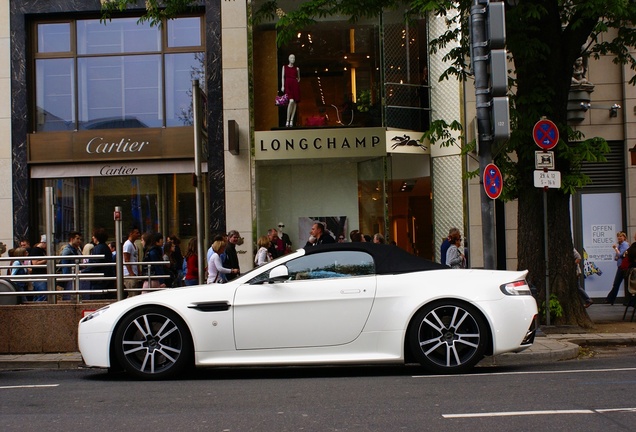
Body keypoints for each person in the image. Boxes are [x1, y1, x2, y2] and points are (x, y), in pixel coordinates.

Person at [86, 227, 114, 298]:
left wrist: (84, 271)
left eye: (94, 236)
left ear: (97, 237)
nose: (92, 238)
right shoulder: (106, 247)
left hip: (99, 280)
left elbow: (95, 263)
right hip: (106, 278)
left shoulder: (97, 248)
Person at [606, 231, 629, 305]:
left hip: (623, 267)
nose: (619, 237)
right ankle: (610, 299)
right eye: (618, 236)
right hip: (621, 266)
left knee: (617, 283)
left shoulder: (624, 245)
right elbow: (617, 256)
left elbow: (621, 254)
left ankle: (610, 299)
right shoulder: (620, 245)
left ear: (624, 237)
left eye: (621, 236)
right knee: (617, 283)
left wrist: (615, 248)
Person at [60, 231, 82, 298]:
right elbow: (65, 266)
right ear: (72, 239)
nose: (79, 241)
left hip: (73, 275)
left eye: (80, 239)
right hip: (70, 276)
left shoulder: (76, 249)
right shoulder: (67, 250)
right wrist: (67, 277)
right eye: (77, 239)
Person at [281, 54, 300, 127]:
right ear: (289, 59)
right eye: (291, 58)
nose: (293, 59)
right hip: (288, 85)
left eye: (294, 58)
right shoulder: (284, 67)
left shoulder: (297, 68)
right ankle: (287, 119)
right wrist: (282, 86)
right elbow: (282, 77)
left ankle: (292, 120)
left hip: (294, 85)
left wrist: (296, 82)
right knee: (291, 101)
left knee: (295, 102)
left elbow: (298, 78)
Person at [123, 227, 141, 297]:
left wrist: (138, 271)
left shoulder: (135, 245)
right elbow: (126, 259)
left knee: (135, 293)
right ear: (131, 234)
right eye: (136, 233)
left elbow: (136, 259)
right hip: (129, 274)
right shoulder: (127, 244)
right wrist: (131, 273)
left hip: (134, 272)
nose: (138, 235)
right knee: (132, 293)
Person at [29, 235, 48, 302]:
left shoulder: (42, 250)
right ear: (43, 243)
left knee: (38, 294)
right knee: (43, 294)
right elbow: (35, 263)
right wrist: (46, 260)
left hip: (41, 275)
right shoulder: (35, 250)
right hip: (38, 275)